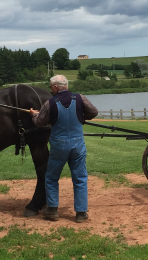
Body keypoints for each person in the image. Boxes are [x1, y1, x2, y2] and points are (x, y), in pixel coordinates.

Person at [30, 75, 98, 223]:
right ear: (65, 85)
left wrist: (34, 115)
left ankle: (53, 210)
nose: (50, 90)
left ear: (55, 87)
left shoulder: (49, 103)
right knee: (80, 178)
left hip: (58, 145)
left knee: (52, 177)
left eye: (50, 87)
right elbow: (94, 111)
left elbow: (40, 123)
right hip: (78, 145)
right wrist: (80, 117)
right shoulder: (80, 98)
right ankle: (81, 213)